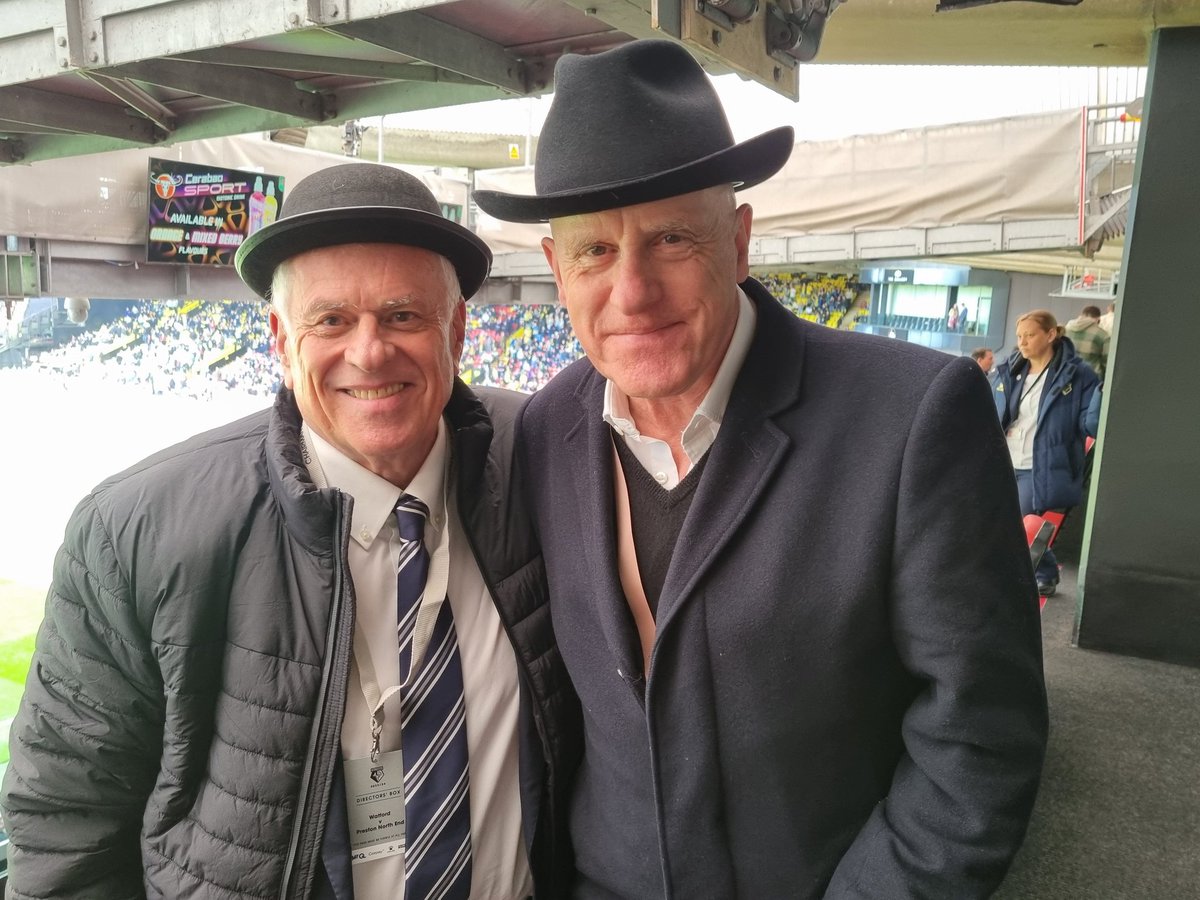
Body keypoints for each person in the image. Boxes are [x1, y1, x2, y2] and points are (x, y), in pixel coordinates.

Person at [474, 39, 1048, 900]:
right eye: (594, 251)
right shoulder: (545, 425)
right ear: (557, 272)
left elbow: (980, 735)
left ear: (737, 241)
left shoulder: (914, 416)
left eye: (670, 238)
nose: (631, 292)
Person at [0, 164, 579, 899]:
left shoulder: (547, 465)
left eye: (403, 315)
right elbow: (68, 827)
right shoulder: (135, 532)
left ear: (457, 329)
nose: (369, 352)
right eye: (331, 320)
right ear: (280, 337)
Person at [993, 309, 1100, 596]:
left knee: (1022, 520)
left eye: (1030, 335)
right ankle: (1046, 573)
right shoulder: (1010, 370)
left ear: (1051, 335)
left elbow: (1090, 424)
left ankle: (1033, 576)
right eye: (1019, 336)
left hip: (1039, 464)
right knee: (1010, 520)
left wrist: (1103, 394)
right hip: (1006, 458)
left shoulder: (1078, 376)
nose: (1023, 342)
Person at [1063, 303, 1110, 380]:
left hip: (1066, 375)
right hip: (1091, 378)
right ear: (1098, 319)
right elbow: (1107, 362)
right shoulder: (1103, 335)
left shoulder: (1066, 329)